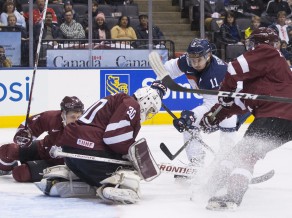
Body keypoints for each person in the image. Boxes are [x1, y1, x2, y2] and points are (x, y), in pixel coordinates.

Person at [198, 27, 292, 210]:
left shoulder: (268, 53)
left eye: (252, 44)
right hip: (284, 123)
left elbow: (233, 68)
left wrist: (224, 91)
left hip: (276, 115)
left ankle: (232, 196)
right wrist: (211, 118)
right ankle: (212, 185)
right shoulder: (260, 78)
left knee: (244, 155)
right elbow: (235, 104)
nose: (251, 49)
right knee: (241, 154)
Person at [36, 83, 164, 204]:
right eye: (151, 109)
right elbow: (114, 138)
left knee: (105, 163)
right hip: (90, 153)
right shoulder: (132, 105)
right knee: (129, 169)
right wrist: (130, 155)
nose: (148, 114)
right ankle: (116, 186)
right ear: (145, 100)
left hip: (70, 154)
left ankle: (67, 181)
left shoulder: (117, 99)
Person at [163, 38, 238, 171]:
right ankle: (196, 163)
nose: (195, 63)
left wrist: (194, 114)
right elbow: (168, 69)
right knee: (188, 124)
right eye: (192, 59)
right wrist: (159, 83)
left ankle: (227, 165)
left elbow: (215, 105)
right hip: (216, 103)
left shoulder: (217, 73)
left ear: (208, 56)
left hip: (233, 105)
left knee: (228, 122)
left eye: (199, 59)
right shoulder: (188, 61)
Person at [0, 96, 84, 182]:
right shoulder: (52, 117)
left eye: (79, 117)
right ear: (63, 114)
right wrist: (25, 134)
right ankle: (6, 169)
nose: (76, 121)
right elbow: (30, 125)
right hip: (42, 148)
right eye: (72, 117)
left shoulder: (87, 128)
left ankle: (30, 166)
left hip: (57, 165)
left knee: (20, 174)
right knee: (7, 150)